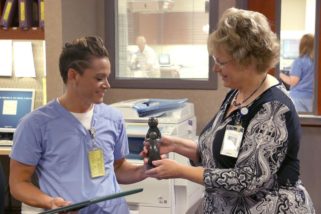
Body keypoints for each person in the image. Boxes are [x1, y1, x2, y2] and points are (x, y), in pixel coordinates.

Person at [143, 8, 315, 213]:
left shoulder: (274, 108)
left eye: (220, 62)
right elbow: (223, 151)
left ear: (248, 61)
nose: (215, 69)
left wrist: (181, 171)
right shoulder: (237, 95)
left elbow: (247, 179)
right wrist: (175, 145)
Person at [9, 36, 147, 213]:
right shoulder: (35, 125)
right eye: (99, 78)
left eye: (107, 77)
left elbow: (118, 168)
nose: (107, 85)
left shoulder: (113, 118)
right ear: (73, 75)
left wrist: (145, 170)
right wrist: (50, 202)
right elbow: (19, 183)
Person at [279, 34, 315, 112]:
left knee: (301, 122)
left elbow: (292, 82)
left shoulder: (299, 61)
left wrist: (279, 73)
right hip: (312, 98)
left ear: (301, 45)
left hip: (298, 98)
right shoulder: (316, 61)